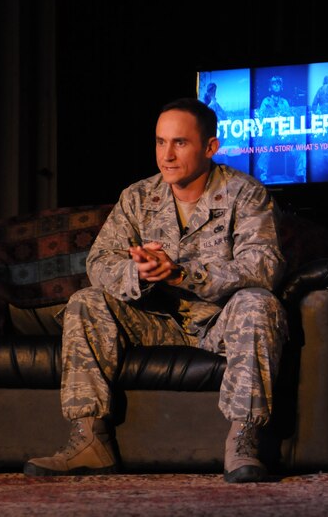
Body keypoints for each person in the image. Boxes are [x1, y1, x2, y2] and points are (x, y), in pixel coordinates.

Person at [23, 98, 288, 484]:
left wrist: (183, 275)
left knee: (259, 303)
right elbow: (99, 263)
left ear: (211, 147)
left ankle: (243, 441)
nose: (166, 155)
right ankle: (88, 440)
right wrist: (140, 272)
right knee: (86, 301)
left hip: (219, 320)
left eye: (179, 143)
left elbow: (263, 267)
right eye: (160, 142)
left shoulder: (245, 194)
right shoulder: (138, 197)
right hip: (157, 318)